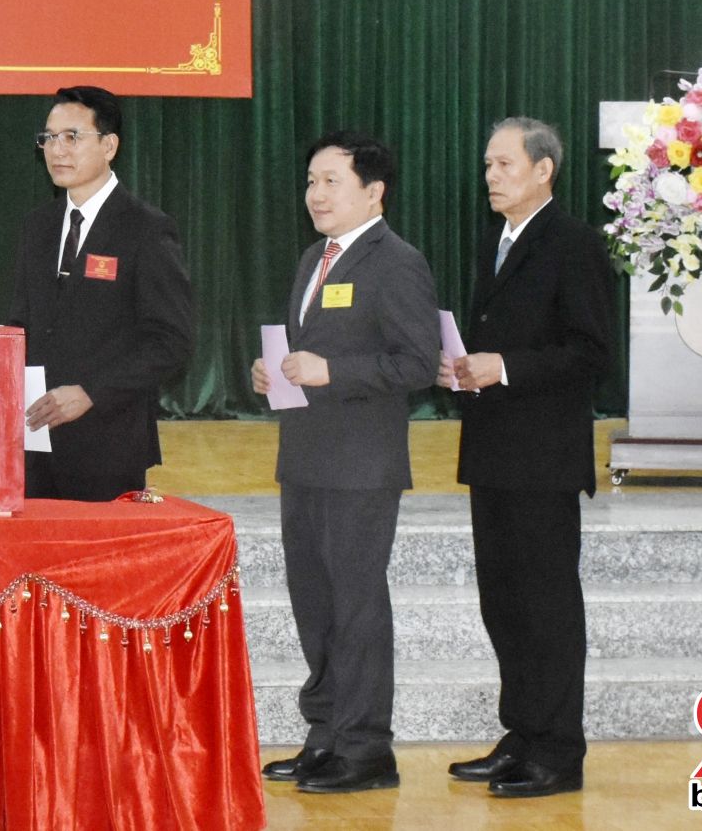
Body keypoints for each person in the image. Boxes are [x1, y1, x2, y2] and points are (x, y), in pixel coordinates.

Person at [251, 132, 440, 794]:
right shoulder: (315, 257)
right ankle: (325, 733)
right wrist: (274, 374)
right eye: (311, 181)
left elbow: (418, 363)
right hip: (304, 457)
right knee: (315, 604)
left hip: (361, 466)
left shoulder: (397, 262)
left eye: (331, 181)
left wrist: (331, 370)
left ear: (374, 191)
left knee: (356, 607)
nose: (316, 194)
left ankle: (367, 748)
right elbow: (309, 349)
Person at [441, 117, 613, 799]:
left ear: (544, 170)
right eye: (487, 165)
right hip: (494, 450)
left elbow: (591, 352)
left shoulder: (574, 244)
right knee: (504, 602)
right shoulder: (495, 240)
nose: (491, 176)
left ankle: (559, 750)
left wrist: (505, 367)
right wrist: (463, 368)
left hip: (543, 458)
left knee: (546, 605)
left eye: (504, 164)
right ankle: (523, 732)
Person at [9, 86, 194, 501]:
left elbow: (170, 341)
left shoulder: (146, 228)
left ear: (109, 145)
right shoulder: (37, 226)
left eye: (72, 137)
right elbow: (21, 323)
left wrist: (91, 392)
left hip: (109, 443)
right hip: (35, 441)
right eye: (48, 138)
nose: (57, 149)